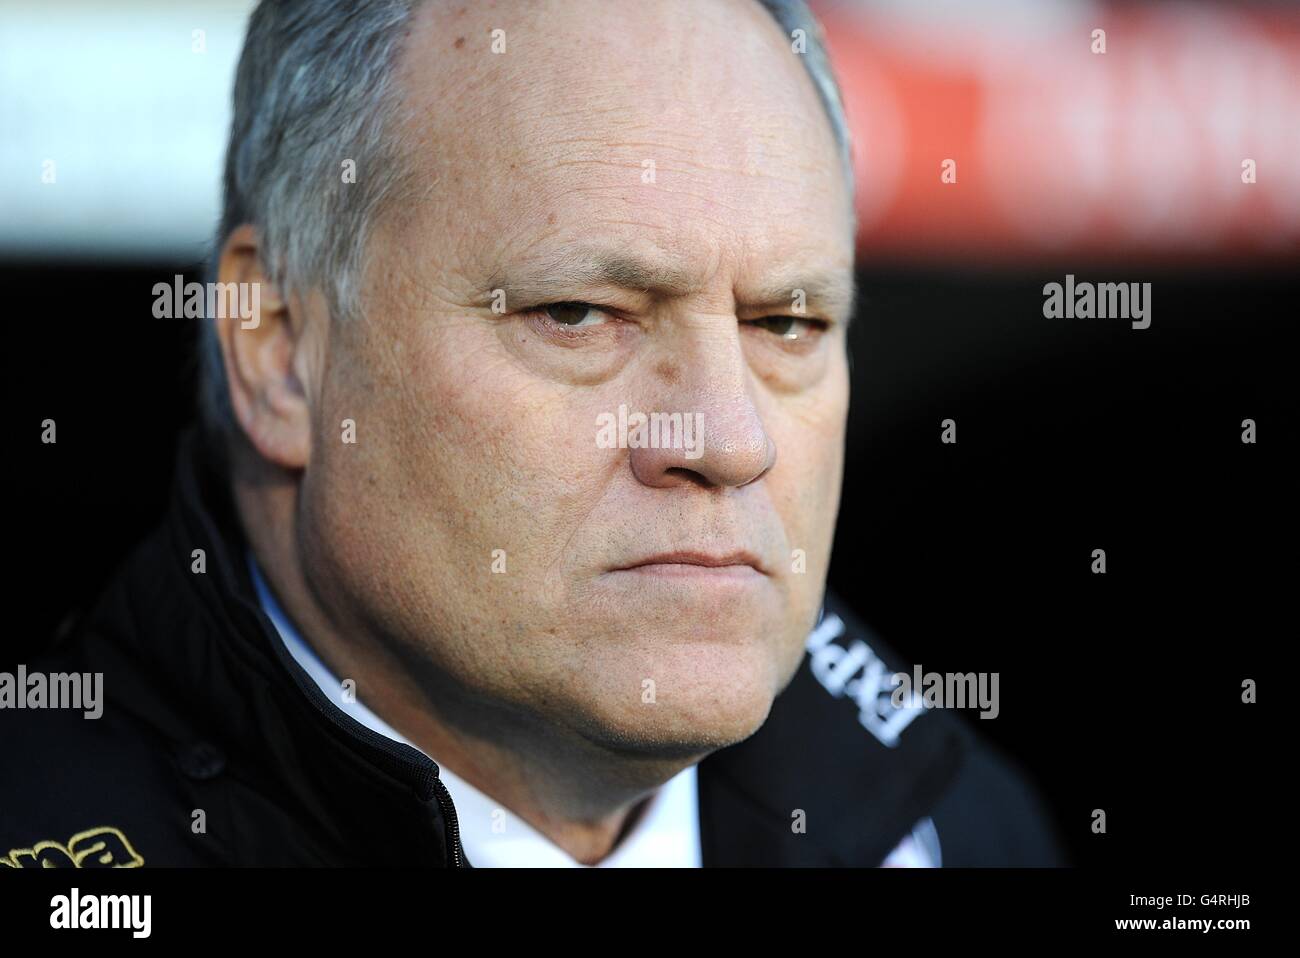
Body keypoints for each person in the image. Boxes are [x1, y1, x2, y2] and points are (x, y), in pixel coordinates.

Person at [0, 0, 1064, 868]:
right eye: (578, 314)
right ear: (280, 348)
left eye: (787, 323)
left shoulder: (962, 831)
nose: (731, 442)